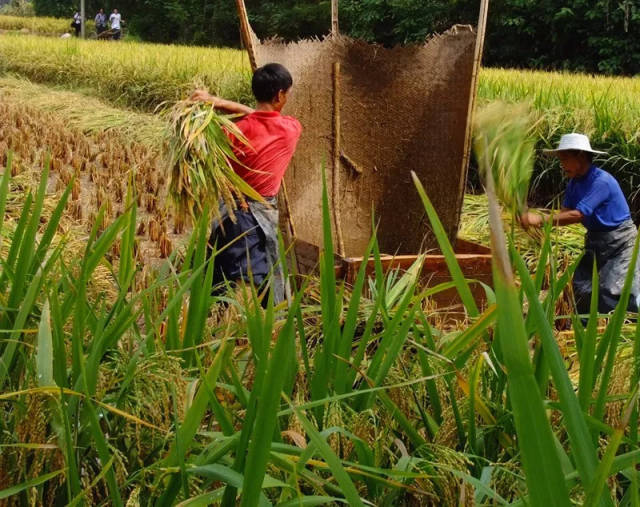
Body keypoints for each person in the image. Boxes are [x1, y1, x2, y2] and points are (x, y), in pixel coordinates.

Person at [191, 63, 302, 303]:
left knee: (220, 279)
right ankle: (242, 333)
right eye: (288, 93)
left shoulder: (233, 132)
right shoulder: (291, 129)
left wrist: (214, 101)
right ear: (280, 95)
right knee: (251, 284)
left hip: (227, 213)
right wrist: (217, 101)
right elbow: (256, 115)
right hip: (252, 219)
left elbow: (253, 116)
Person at [520, 133, 640, 316]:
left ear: (581, 156)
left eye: (565, 159)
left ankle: (620, 329)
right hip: (596, 241)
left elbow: (577, 215)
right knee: (582, 286)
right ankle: (583, 325)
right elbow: (563, 214)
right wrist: (534, 217)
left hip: (621, 244)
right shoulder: (574, 184)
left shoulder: (601, 182)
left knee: (613, 290)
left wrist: (537, 219)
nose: (562, 164)